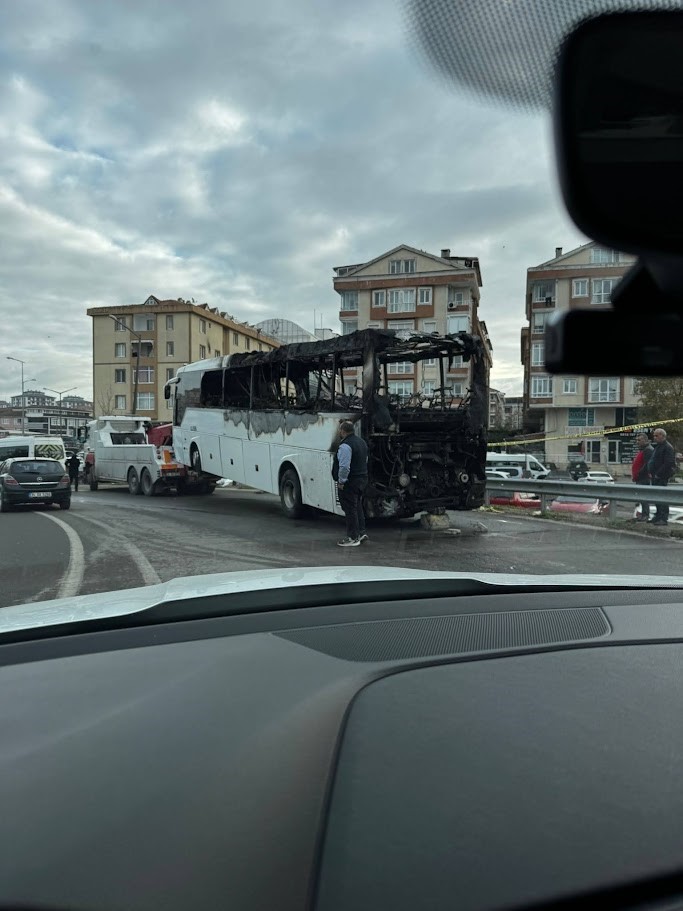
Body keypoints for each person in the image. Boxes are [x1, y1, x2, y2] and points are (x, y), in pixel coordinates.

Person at [332, 420, 368, 547]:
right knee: (357, 506)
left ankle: (352, 537)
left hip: (350, 482)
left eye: (340, 430)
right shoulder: (362, 442)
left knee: (349, 509)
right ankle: (361, 532)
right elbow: (365, 460)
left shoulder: (345, 446)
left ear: (343, 431)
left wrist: (341, 481)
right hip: (362, 479)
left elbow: (344, 467)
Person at [648, 428, 676, 526]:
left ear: (663, 436)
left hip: (661, 476)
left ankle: (663, 518)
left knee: (662, 497)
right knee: (656, 497)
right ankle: (658, 516)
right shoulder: (658, 447)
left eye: (657, 436)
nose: (654, 438)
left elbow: (668, 463)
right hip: (655, 476)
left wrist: (658, 474)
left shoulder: (667, 447)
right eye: (654, 436)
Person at [631, 432, 653, 521]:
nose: (637, 442)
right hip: (640, 477)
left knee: (644, 497)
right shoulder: (643, 449)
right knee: (642, 497)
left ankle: (645, 515)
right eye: (636, 440)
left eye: (639, 440)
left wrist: (639, 473)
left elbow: (647, 464)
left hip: (644, 478)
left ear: (645, 440)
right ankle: (643, 515)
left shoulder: (648, 449)